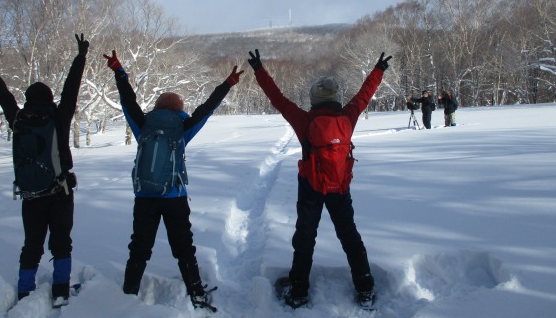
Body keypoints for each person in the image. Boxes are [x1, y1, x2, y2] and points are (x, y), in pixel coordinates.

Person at [247, 48, 392, 309]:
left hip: (311, 187)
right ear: (336, 98)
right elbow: (364, 96)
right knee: (350, 236)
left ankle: (299, 291)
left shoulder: (305, 120)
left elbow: (278, 99)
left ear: (314, 98)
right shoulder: (347, 117)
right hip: (339, 187)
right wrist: (378, 70)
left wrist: (259, 70)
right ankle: (365, 288)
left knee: (305, 237)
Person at [104, 50, 243, 312]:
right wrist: (226, 85)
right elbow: (207, 109)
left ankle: (129, 292)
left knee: (140, 246)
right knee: (183, 246)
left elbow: (127, 100)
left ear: (157, 107)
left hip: (145, 196)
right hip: (174, 197)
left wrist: (119, 72)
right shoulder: (182, 128)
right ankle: (196, 293)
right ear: (179, 109)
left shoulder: (143, 125)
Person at [0, 34, 89, 307]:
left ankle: (25, 290)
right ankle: (60, 291)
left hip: (30, 194)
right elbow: (71, 90)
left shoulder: (18, 118)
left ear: (27, 100)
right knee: (61, 241)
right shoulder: (57, 118)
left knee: (32, 244)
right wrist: (80, 57)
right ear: (49, 99)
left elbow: (3, 95)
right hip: (60, 191)